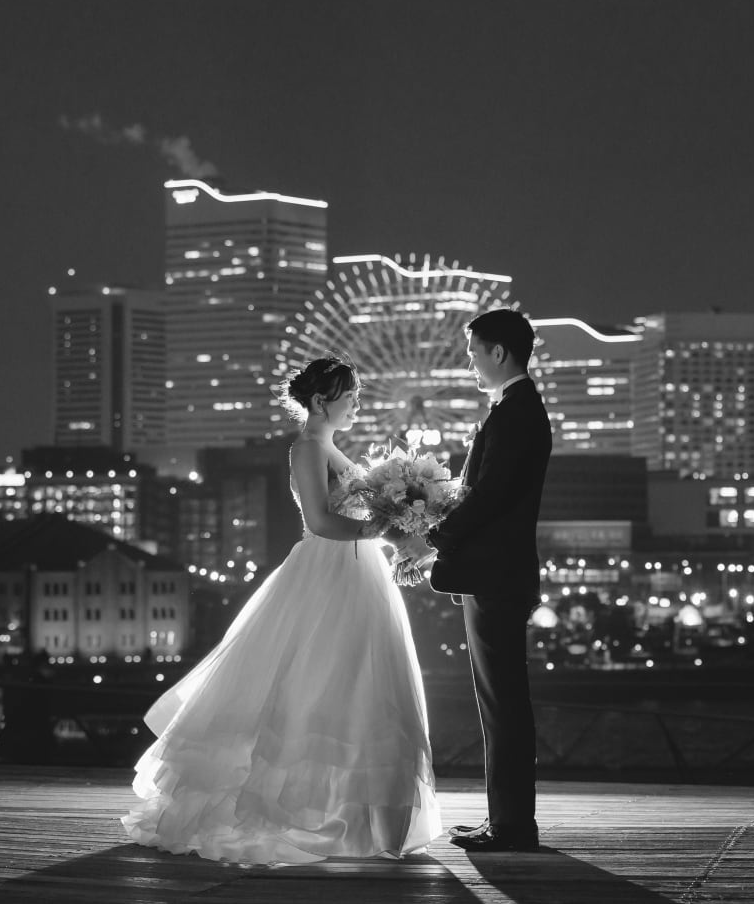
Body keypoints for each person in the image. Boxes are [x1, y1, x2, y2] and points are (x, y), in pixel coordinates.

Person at [122, 357, 441, 865]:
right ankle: (305, 813)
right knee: (315, 685)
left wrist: (406, 538)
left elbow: (361, 519)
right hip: (327, 576)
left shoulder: (334, 448)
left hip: (360, 576)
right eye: (350, 394)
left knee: (364, 687)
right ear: (320, 401)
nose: (357, 402)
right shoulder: (307, 450)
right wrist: (385, 530)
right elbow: (320, 521)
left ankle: (365, 822)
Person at [404, 308, 552, 852]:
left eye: (473, 352)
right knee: (500, 701)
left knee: (503, 702)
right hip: (496, 574)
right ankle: (507, 820)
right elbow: (482, 494)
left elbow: (488, 496)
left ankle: (512, 825)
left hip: (497, 575)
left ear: (499, 352)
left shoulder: (515, 413)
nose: (468, 362)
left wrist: (431, 541)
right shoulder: (515, 409)